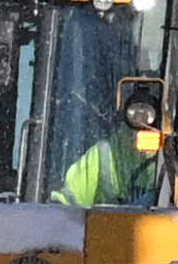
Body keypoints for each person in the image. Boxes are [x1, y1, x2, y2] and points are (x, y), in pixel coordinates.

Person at [61, 75, 168, 213]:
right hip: (107, 231)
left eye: (146, 114)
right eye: (135, 113)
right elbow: (66, 203)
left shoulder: (176, 159)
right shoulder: (106, 153)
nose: (141, 119)